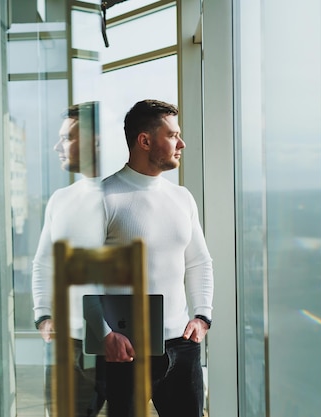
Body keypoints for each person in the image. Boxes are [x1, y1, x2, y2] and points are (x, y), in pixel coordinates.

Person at [100, 99, 214, 417]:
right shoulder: (103, 198)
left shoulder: (182, 197)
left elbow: (198, 262)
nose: (182, 143)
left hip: (182, 344)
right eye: (173, 135)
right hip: (126, 350)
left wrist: (203, 316)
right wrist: (104, 333)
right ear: (145, 140)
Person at [32, 101, 106, 417]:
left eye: (67, 138)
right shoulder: (61, 199)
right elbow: (43, 263)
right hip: (71, 339)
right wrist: (43, 315)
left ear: (97, 141)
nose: (57, 146)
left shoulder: (132, 193)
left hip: (129, 338)